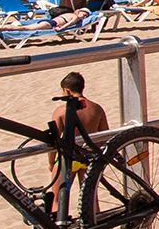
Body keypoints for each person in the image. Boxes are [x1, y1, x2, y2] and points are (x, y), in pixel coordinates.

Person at [45, 72, 111, 213]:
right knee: (91, 200)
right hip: (89, 157)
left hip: (68, 157)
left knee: (57, 199)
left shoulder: (61, 111)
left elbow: (54, 140)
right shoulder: (97, 109)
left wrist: (51, 162)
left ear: (66, 90)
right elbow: (105, 135)